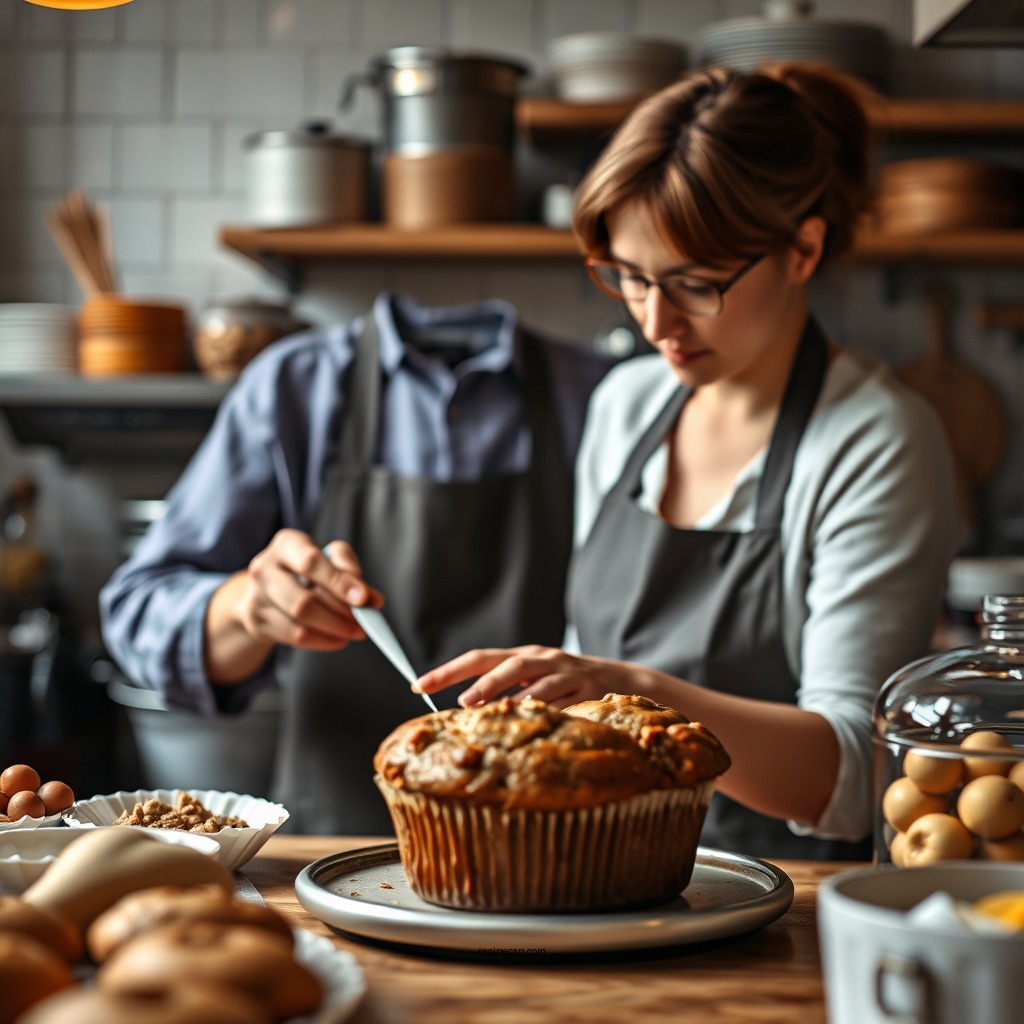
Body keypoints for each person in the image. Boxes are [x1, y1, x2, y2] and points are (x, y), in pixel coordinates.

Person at [413, 64, 964, 860]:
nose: (656, 322)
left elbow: (851, 777)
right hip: (598, 872)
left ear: (803, 249)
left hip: (781, 897)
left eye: (695, 285)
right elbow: (584, 671)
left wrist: (634, 689)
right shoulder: (626, 405)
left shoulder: (876, 440)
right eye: (630, 279)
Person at [99, 291, 612, 833]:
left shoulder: (603, 393)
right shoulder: (294, 385)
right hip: (330, 841)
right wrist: (248, 606)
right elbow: (138, 614)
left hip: (553, 830)